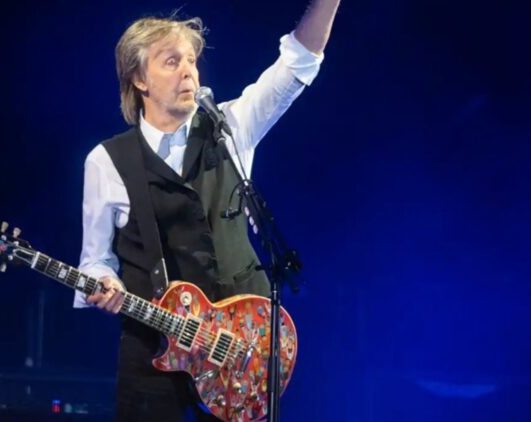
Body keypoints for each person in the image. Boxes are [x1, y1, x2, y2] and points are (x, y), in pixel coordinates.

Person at [75, 1, 341, 420]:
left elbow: (297, 64)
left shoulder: (230, 127)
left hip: (240, 348)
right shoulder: (106, 161)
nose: (189, 72)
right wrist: (104, 283)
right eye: (171, 61)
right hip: (154, 348)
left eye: (192, 60)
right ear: (139, 79)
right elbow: (95, 260)